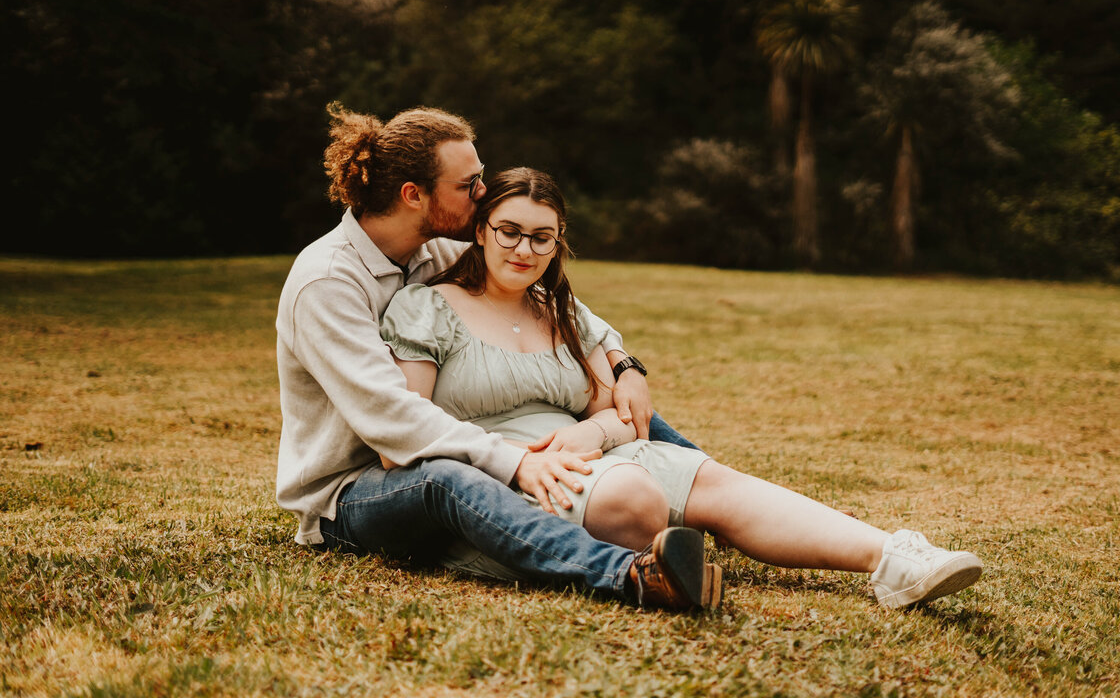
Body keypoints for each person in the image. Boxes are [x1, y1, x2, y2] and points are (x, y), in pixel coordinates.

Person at [380, 166, 984, 609]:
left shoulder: (561, 310)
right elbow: (413, 425)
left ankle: (895, 558)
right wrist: (521, 458)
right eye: (509, 231)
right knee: (636, 496)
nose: (524, 249)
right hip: (508, 477)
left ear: (558, 242)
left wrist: (588, 431)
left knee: (716, 481)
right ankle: (657, 552)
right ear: (480, 231)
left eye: (543, 237)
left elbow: (621, 412)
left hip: (593, 453)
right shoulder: (427, 309)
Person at [276, 104, 720, 611]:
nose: (483, 194)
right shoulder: (327, 282)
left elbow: (561, 307)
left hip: (430, 452)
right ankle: (631, 576)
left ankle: (717, 498)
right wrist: (514, 463)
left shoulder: (435, 251)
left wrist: (623, 364)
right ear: (413, 195)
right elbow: (394, 422)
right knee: (448, 480)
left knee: (625, 407)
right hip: (355, 493)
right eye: (469, 184)